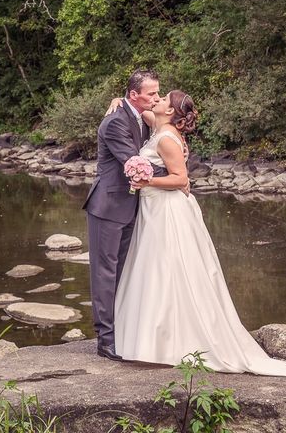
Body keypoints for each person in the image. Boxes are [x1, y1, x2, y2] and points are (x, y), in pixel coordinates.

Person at [112, 90, 286, 376]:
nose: (158, 100)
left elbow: (181, 179)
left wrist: (146, 179)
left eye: (163, 98)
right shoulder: (161, 127)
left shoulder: (166, 138)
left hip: (168, 211)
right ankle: (154, 341)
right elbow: (140, 110)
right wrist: (117, 102)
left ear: (171, 111)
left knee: (170, 269)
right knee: (154, 269)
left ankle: (171, 342)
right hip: (154, 210)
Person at [83, 69, 179, 361]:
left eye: (158, 92)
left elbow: (166, 128)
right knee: (105, 273)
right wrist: (176, 175)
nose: (157, 97)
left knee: (124, 272)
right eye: (152, 94)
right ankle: (106, 339)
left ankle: (123, 330)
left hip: (133, 207)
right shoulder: (114, 122)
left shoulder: (142, 118)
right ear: (134, 95)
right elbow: (135, 162)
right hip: (108, 207)